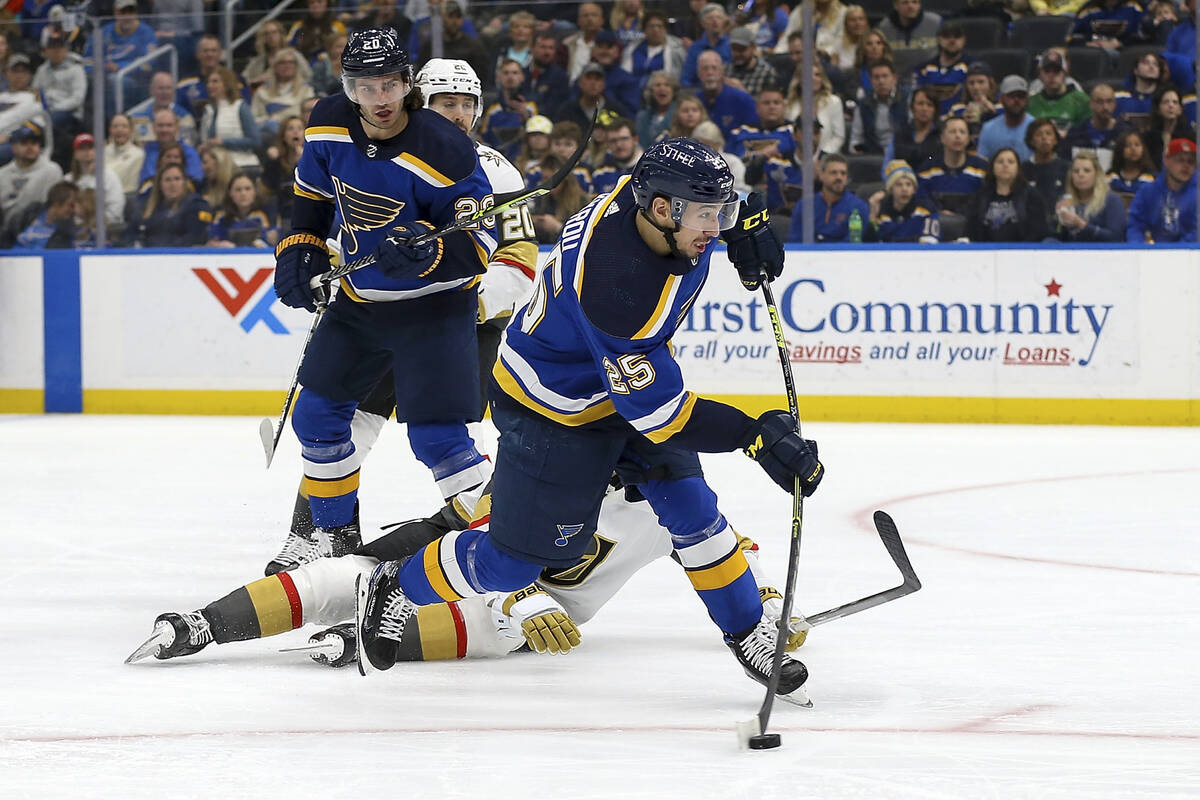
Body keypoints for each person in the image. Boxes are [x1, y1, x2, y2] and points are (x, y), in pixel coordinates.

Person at [353, 139, 821, 702]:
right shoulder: (619, 291)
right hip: (553, 407)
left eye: (719, 213)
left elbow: (692, 201)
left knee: (691, 507)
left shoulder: (641, 198)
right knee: (511, 565)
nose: (714, 228)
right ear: (663, 210)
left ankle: (748, 633)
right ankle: (397, 585)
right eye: (707, 216)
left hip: (620, 378)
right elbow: (663, 416)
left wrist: (744, 222)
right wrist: (754, 436)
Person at [264, 58, 537, 574]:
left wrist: (466, 302)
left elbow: (520, 260)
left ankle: (482, 547)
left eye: (467, 104)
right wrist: (324, 262)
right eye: (446, 103)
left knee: (449, 438)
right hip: (376, 314)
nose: (458, 114)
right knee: (338, 422)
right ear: (420, 102)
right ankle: (316, 534)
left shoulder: (497, 171)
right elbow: (347, 222)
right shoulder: (374, 146)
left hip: (459, 323)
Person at [127, 478, 810, 670]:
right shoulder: (553, 457)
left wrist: (764, 614)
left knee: (516, 629)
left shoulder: (676, 499)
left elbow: (730, 557)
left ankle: (359, 639)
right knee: (339, 579)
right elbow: (486, 536)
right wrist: (520, 597)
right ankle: (201, 625)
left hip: (538, 607)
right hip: (457, 561)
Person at [729, 87, 798, 214]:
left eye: (776, 103)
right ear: (757, 107)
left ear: (784, 106)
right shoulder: (741, 132)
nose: (772, 107)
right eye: (767, 103)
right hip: (744, 191)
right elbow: (730, 160)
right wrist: (764, 154)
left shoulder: (795, 132)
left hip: (783, 197)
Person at [83, 0, 157, 113]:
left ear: (136, 12)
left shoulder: (146, 32)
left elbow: (148, 63)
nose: (127, 16)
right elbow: (88, 60)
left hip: (134, 79)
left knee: (115, 81)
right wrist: (103, 67)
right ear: (115, 12)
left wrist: (120, 67)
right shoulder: (105, 31)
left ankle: (114, 118)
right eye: (123, 12)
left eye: (131, 11)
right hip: (104, 76)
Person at [965, 147, 1050, 242]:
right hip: (986, 248)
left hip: (1022, 248)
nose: (1005, 165)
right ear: (992, 167)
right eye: (1000, 162)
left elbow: (1039, 230)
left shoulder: (1031, 195)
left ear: (1018, 168)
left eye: (1011, 162)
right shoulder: (981, 195)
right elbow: (971, 227)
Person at [1126, 137, 1197, 242]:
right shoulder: (1148, 191)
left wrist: (1177, 250)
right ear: (1166, 160)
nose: (1186, 166)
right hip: (1155, 250)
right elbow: (1134, 225)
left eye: (1191, 162)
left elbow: (1196, 233)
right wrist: (1138, 247)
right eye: (1180, 160)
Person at [789, 153, 873, 242]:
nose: (839, 177)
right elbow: (795, 241)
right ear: (821, 175)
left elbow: (852, 243)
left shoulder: (858, 207)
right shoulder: (804, 206)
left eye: (843, 173)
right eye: (833, 173)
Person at [917, 115, 989, 215]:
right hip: (935, 221)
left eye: (962, 132)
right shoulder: (928, 169)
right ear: (942, 138)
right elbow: (921, 198)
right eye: (952, 132)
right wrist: (938, 212)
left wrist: (959, 214)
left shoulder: (982, 168)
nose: (957, 136)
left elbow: (985, 199)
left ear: (969, 139)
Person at [1053, 151, 1127, 241]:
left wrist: (1081, 224)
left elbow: (1116, 237)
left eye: (1087, 171)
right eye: (1076, 171)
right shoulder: (1067, 199)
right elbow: (1058, 236)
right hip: (1072, 249)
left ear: (1097, 175)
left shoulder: (1111, 200)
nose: (1081, 175)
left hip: (1100, 249)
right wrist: (1059, 219)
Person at [134, 163, 213, 246]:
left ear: (184, 182)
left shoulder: (197, 205)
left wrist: (161, 246)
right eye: (167, 180)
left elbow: (196, 238)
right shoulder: (146, 207)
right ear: (160, 184)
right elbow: (131, 234)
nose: (173, 184)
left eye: (177, 179)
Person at [0, 123, 63, 226]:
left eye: (34, 143)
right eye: (24, 143)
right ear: (13, 148)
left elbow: (54, 207)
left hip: (39, 228)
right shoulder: (2, 174)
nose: (30, 147)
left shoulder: (52, 170)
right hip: (6, 229)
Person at [200, 67, 262, 171]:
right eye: (208, 82)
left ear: (227, 84)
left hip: (242, 164)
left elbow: (255, 141)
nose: (209, 85)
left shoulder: (240, 107)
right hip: (218, 166)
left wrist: (223, 142)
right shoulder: (208, 110)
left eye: (215, 81)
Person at [32, 33, 85, 144]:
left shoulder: (76, 69)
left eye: (59, 47)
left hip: (68, 112)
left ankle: (43, 147)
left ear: (66, 49)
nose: (56, 51)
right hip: (43, 110)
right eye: (52, 48)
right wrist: (40, 107)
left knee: (49, 122)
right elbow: (35, 92)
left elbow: (77, 99)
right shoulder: (42, 70)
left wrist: (55, 108)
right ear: (46, 51)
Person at [480, 58, 539, 161]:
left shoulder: (532, 106)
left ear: (522, 77)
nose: (510, 77)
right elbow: (482, 138)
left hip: (524, 160)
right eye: (506, 73)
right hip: (496, 160)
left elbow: (539, 137)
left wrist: (527, 118)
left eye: (515, 73)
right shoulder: (491, 108)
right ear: (498, 77)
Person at [869, 159, 939, 243]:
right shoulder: (881, 209)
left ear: (914, 189)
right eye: (899, 185)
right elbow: (870, 243)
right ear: (890, 189)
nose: (904, 189)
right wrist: (873, 216)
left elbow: (930, 241)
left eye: (908, 184)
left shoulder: (926, 209)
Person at [253, 48, 317, 140]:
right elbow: (255, 119)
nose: (287, 66)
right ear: (275, 66)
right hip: (271, 134)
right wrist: (269, 121)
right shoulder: (262, 91)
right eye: (282, 63)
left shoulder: (306, 90)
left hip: (299, 132)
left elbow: (309, 116)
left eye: (291, 62)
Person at [785, 60, 844, 156]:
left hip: (826, 156)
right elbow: (787, 134)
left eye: (817, 75)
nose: (813, 78)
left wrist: (821, 156)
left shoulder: (834, 102)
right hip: (795, 156)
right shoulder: (789, 104)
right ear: (799, 80)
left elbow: (838, 137)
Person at [1064, 83, 1129, 170]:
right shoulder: (1076, 132)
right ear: (1091, 104)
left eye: (1109, 101)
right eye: (1100, 102)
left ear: (1115, 104)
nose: (1105, 107)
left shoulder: (1125, 133)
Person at [912, 19, 969, 117]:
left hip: (960, 119)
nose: (952, 40)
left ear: (964, 39)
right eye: (947, 36)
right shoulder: (923, 69)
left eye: (957, 36)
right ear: (938, 39)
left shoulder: (973, 68)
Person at [696, 50, 758, 138]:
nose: (710, 73)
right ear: (698, 73)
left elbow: (755, 131)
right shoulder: (695, 101)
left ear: (722, 72)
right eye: (705, 69)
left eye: (714, 68)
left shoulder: (742, 100)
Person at [1022, 118, 1071, 228]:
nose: (1044, 138)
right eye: (1039, 134)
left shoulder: (1067, 168)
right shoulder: (1023, 170)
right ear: (1031, 141)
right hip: (1029, 226)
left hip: (1061, 226)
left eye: (1048, 134)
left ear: (1055, 140)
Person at [208, 172, 279, 247]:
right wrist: (219, 244)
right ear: (230, 193)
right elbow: (211, 241)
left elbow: (270, 238)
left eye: (248, 189)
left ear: (255, 191)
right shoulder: (221, 216)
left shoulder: (266, 212)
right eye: (238, 190)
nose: (243, 193)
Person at [128, 71, 199, 147]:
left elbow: (187, 147)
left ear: (174, 91)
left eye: (168, 88)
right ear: (151, 90)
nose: (164, 92)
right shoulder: (136, 118)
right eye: (160, 88)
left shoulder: (185, 118)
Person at [67, 133, 124, 227]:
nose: (87, 151)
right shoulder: (67, 179)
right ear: (75, 153)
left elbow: (115, 210)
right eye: (82, 148)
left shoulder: (110, 177)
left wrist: (93, 223)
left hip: (105, 228)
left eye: (90, 147)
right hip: (74, 228)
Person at [850, 59, 906, 154]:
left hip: (902, 153)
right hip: (873, 155)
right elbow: (856, 139)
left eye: (885, 76)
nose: (881, 81)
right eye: (876, 77)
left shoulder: (906, 100)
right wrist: (856, 150)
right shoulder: (863, 104)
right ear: (871, 80)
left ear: (894, 79)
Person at [1027, 50, 1091, 131]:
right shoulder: (1030, 103)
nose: (1051, 75)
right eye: (1047, 71)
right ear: (1039, 75)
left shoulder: (1082, 101)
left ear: (1065, 73)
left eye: (1056, 70)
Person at [260, 115, 305, 226]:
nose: (295, 132)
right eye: (290, 128)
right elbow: (268, 193)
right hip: (284, 216)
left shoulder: (314, 160)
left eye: (300, 128)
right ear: (283, 136)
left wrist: (303, 162)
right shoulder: (275, 163)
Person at [978, 75, 1035, 161]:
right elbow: (982, 162)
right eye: (1011, 96)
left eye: (1021, 96)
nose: (1016, 100)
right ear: (1001, 98)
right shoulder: (988, 129)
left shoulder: (1035, 128)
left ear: (1027, 98)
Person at [140, 109, 204, 184]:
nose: (164, 130)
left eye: (169, 125)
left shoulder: (189, 152)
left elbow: (196, 180)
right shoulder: (147, 151)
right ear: (153, 127)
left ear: (177, 127)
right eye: (160, 125)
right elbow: (146, 181)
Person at [887, 86, 940, 170]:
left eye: (929, 105)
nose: (924, 109)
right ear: (912, 107)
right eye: (920, 104)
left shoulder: (942, 136)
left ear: (935, 110)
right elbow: (887, 166)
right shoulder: (899, 134)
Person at [590, 30, 642, 115]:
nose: (604, 51)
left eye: (609, 47)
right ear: (593, 51)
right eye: (600, 47)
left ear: (617, 51)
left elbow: (631, 114)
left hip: (614, 121)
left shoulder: (629, 81)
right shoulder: (583, 78)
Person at [624, 11, 685, 83]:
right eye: (651, 26)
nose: (655, 30)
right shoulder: (633, 48)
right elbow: (624, 73)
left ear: (665, 30)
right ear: (644, 30)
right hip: (633, 87)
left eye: (659, 26)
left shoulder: (677, 50)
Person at [877, 0, 941, 68]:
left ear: (920, 4)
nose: (910, 6)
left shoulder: (935, 23)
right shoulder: (884, 28)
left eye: (915, 2)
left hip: (930, 73)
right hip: (896, 74)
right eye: (905, 2)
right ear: (896, 5)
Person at [14, 180, 77, 249]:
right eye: (71, 205)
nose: (74, 210)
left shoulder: (67, 229)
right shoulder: (32, 211)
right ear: (57, 202)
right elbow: (8, 235)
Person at [682, 4, 732, 88]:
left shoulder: (731, 45)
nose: (715, 21)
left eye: (718, 17)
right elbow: (686, 79)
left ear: (724, 21)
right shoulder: (695, 48)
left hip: (727, 90)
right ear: (702, 23)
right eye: (710, 18)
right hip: (700, 91)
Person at [1145, 85, 1193, 168]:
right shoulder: (1149, 137)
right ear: (1158, 109)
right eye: (1166, 102)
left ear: (1180, 109)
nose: (1171, 105)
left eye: (1175, 102)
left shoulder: (1189, 137)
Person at [1114, 51, 1169, 124]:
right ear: (1136, 70)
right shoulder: (1118, 98)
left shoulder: (1166, 100)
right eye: (1146, 63)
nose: (1151, 67)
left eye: (1155, 64)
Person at [524, 34, 570, 114]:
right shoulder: (522, 73)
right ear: (532, 48)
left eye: (551, 48)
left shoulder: (560, 77)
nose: (547, 52)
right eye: (543, 47)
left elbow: (556, 107)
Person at [1107, 128, 1157, 201]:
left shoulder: (1151, 177)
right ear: (1120, 150)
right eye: (1127, 146)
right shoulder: (1111, 177)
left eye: (1137, 145)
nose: (1133, 149)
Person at [726, 26, 778, 97]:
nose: (737, 54)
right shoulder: (726, 69)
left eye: (742, 49)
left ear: (753, 48)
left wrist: (742, 92)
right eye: (734, 49)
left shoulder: (766, 73)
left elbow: (769, 102)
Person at [636, 71, 679, 148]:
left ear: (673, 90)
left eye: (667, 85)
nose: (662, 88)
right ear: (651, 91)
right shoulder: (642, 116)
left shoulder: (680, 112)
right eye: (657, 85)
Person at [104, 113, 145, 193]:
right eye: (115, 126)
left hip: (127, 196)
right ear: (110, 130)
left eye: (124, 126)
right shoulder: (102, 152)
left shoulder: (139, 154)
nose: (119, 130)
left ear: (130, 130)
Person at [565, 3, 605, 82]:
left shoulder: (611, 44)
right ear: (578, 21)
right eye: (585, 15)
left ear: (602, 20)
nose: (590, 19)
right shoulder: (568, 44)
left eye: (594, 15)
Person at [826, 3, 868, 71]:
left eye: (861, 19)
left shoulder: (873, 42)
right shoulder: (838, 44)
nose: (857, 23)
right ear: (846, 24)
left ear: (866, 22)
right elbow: (833, 71)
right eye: (853, 20)